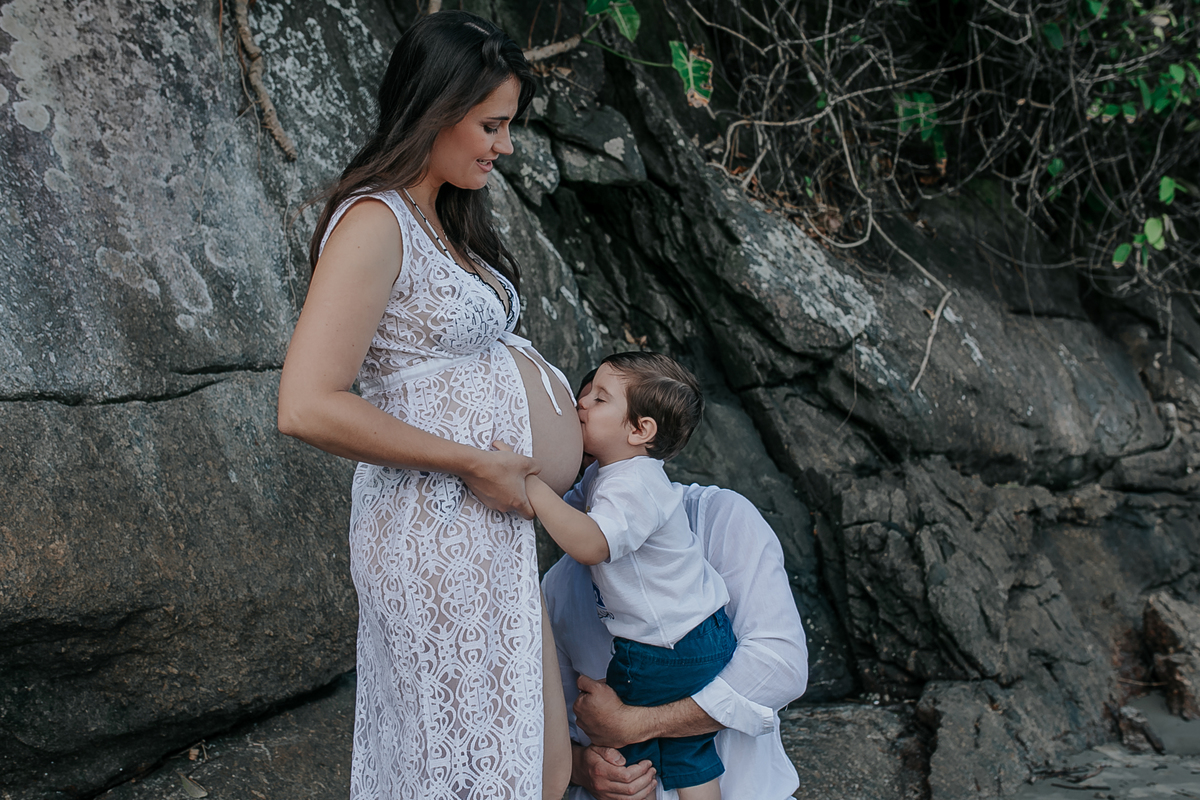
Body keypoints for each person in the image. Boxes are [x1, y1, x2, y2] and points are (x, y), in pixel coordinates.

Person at [276, 11, 577, 799]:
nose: (505, 145)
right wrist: (472, 461)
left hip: (486, 527)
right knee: (474, 773)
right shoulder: (376, 221)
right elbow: (306, 405)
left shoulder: (445, 218)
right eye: (491, 125)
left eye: (509, 125)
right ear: (435, 110)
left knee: (541, 768)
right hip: (435, 528)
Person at [520, 351, 733, 800]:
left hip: (663, 649)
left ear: (640, 430)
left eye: (599, 399)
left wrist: (528, 485)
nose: (581, 402)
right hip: (697, 635)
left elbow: (590, 543)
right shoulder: (611, 474)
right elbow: (570, 507)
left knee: (619, 745)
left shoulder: (634, 484)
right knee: (688, 751)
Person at [544, 480, 810, 798]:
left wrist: (637, 723)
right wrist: (583, 769)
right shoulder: (558, 585)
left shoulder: (717, 516)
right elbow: (550, 734)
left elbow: (781, 668)